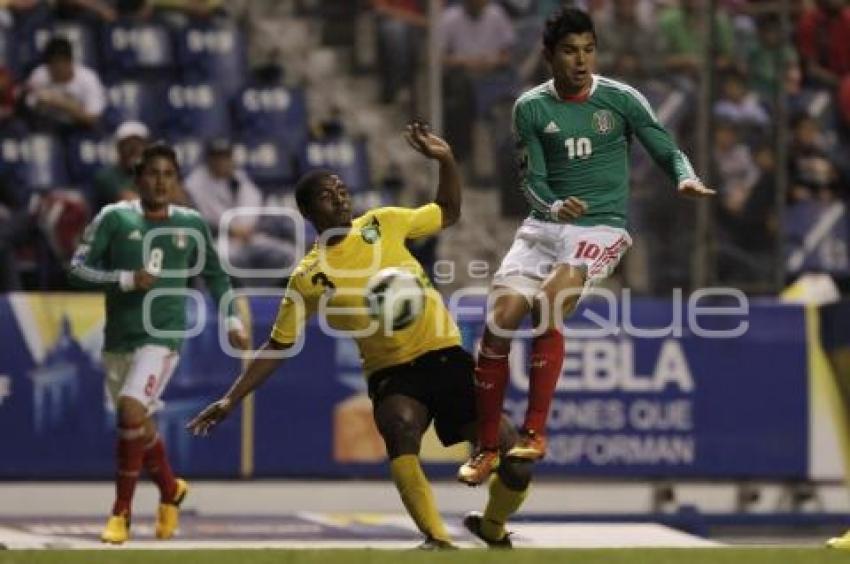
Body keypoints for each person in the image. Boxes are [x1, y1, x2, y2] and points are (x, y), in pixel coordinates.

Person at [186, 122, 534, 550]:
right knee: (400, 428)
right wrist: (230, 398)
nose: (341, 195)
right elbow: (278, 346)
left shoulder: (385, 222)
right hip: (392, 373)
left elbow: (449, 211)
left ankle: (493, 526)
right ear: (309, 213)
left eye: (341, 188)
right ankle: (436, 540)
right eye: (327, 194)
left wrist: (445, 160)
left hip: (445, 357)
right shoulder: (308, 276)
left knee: (513, 455)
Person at [457, 7, 716, 486]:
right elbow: (530, 182)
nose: (581, 61)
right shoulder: (530, 107)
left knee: (548, 304)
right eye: (570, 51)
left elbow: (663, 144)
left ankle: (534, 431)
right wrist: (554, 207)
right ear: (548, 55)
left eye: (589, 50)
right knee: (497, 323)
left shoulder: (621, 99)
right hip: (544, 225)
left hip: (600, 228)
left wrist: (684, 175)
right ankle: (487, 447)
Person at [69, 142, 250, 544]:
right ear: (137, 177)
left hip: (164, 335)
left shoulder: (190, 224)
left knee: (130, 411)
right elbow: (77, 269)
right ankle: (170, 489)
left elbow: (216, 275)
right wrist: (125, 279)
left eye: (169, 174)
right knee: (137, 420)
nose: (161, 181)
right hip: (120, 336)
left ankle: (121, 513)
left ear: (177, 181)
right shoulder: (113, 219)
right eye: (153, 173)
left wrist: (232, 317)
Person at [23, 36, 106, 131]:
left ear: (70, 62)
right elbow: (30, 107)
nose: (58, 69)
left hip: (79, 128)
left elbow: (93, 119)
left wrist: (61, 103)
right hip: (49, 126)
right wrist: (40, 102)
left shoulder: (88, 78)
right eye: (53, 64)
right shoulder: (39, 75)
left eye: (61, 63)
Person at [91, 121, 150, 213]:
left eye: (138, 145)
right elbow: (130, 201)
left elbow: (177, 199)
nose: (134, 149)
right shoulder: (106, 176)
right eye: (128, 144)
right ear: (119, 148)